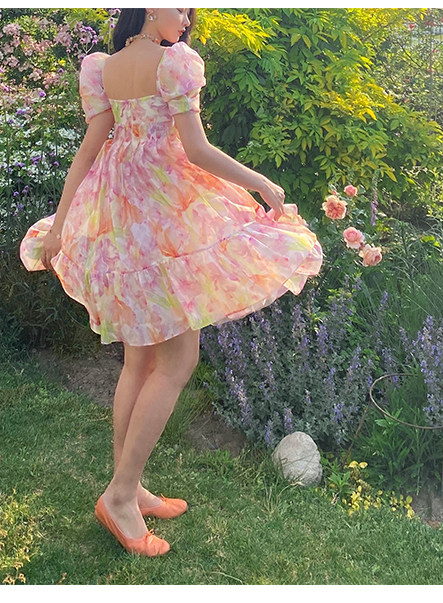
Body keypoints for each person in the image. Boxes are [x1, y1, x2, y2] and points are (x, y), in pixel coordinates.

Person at [19, 8, 323, 557]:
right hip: (165, 217)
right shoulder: (174, 64)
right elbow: (197, 150)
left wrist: (62, 225)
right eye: (179, 7)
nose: (185, 18)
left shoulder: (104, 68)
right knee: (177, 361)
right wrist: (262, 183)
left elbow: (88, 154)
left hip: (125, 221)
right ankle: (119, 496)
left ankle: (129, 486)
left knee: (139, 362)